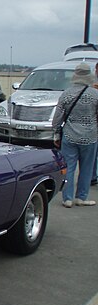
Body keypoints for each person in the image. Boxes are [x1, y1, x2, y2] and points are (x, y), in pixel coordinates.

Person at [52, 62, 98, 207]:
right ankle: (81, 197)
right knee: (86, 168)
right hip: (90, 136)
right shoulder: (95, 94)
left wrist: (56, 134)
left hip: (70, 135)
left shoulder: (66, 93)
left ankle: (67, 198)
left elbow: (57, 117)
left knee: (69, 168)